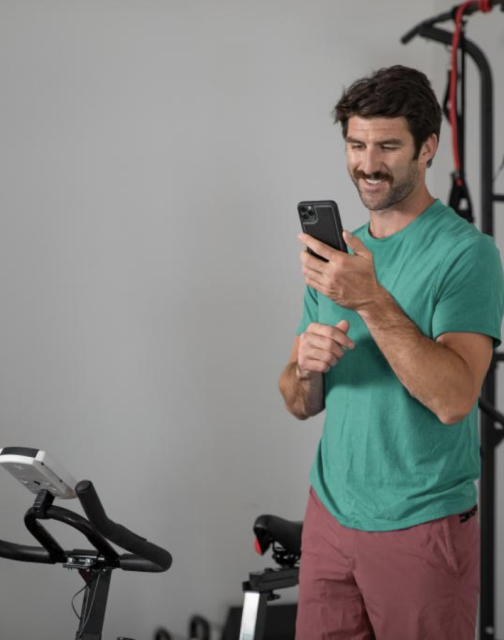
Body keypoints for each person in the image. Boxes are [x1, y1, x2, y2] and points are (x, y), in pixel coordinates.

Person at [278, 65, 504, 640]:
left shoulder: (468, 254)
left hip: (420, 526)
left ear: (427, 147)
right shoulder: (340, 254)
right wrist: (305, 367)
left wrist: (371, 301)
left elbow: (455, 399)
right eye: (356, 144)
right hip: (329, 518)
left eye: (387, 146)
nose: (368, 164)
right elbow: (299, 402)